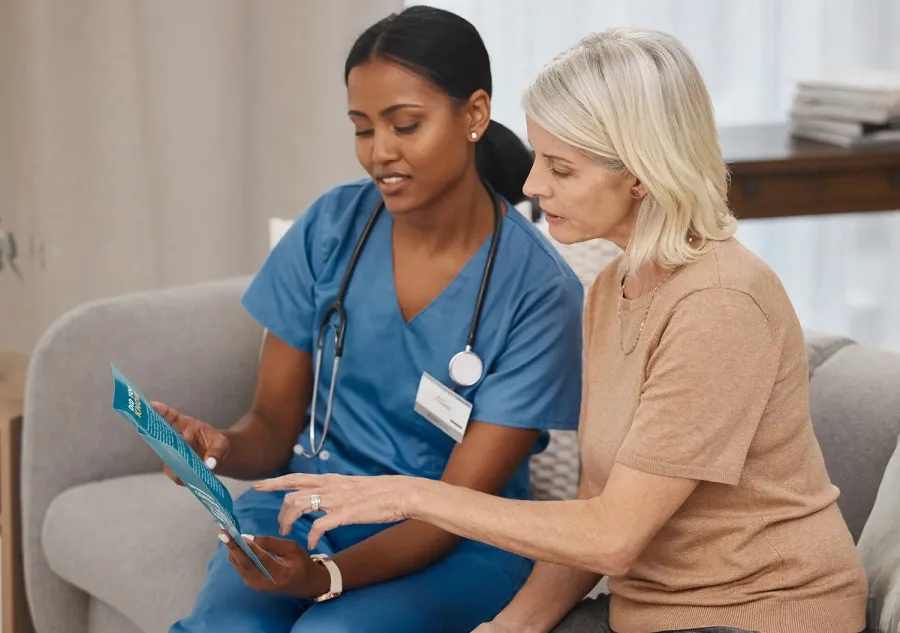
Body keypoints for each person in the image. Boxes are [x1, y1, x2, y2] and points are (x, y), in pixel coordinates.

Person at [256, 27, 871, 633]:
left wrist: (412, 496)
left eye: (560, 168)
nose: (530, 185)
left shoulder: (720, 303)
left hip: (762, 616)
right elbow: (590, 509)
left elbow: (612, 539)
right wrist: (512, 627)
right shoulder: (613, 288)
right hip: (647, 614)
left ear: (638, 173)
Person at [155, 6, 584, 633]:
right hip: (306, 509)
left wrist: (324, 577)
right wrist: (214, 453)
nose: (379, 153)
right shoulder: (331, 230)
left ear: (473, 115)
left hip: (460, 539)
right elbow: (274, 426)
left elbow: (453, 509)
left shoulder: (539, 291)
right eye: (362, 129)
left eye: (405, 125)